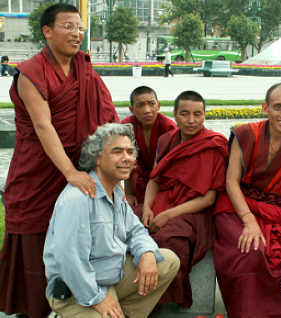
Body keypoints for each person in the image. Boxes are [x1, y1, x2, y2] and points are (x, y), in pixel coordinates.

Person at [0, 3, 119, 317]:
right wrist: (69, 173)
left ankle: (76, 304)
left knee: (79, 235)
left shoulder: (84, 67)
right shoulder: (31, 72)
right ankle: (33, 307)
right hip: (39, 170)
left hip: (79, 167)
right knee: (35, 234)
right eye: (68, 26)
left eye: (79, 27)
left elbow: (106, 115)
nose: (76, 33)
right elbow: (43, 126)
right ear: (47, 30)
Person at [43, 123, 180, 317]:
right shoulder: (78, 199)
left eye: (130, 152)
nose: (127, 158)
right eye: (117, 152)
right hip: (76, 290)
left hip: (110, 277)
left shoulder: (115, 191)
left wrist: (147, 253)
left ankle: (123, 313)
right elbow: (69, 260)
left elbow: (136, 231)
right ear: (97, 157)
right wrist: (97, 298)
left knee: (168, 261)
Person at [213, 83, 281, 317]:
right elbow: (231, 182)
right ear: (265, 108)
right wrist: (249, 220)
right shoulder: (246, 134)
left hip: (274, 208)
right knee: (252, 249)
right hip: (237, 205)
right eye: (278, 107)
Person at [141, 90, 229, 307]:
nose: (191, 120)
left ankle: (156, 302)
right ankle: (128, 292)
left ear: (204, 115)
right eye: (185, 114)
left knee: (166, 239)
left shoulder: (214, 144)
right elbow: (154, 180)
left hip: (193, 211)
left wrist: (168, 214)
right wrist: (147, 208)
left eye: (198, 114)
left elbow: (209, 199)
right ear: (174, 114)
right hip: (163, 201)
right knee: (126, 226)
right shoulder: (166, 140)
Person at [121, 86, 176, 209]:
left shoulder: (168, 127)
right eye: (140, 105)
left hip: (164, 181)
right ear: (132, 109)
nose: (147, 110)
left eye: (151, 104)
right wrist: (128, 193)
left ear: (159, 106)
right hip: (140, 178)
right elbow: (125, 160)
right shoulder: (127, 126)